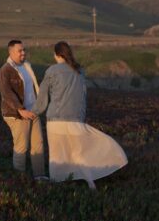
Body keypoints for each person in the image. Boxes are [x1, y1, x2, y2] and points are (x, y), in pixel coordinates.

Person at [33, 41, 127, 189]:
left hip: (56, 121)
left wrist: (33, 113)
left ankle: (57, 186)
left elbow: (42, 99)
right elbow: (82, 97)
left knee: (57, 156)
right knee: (79, 155)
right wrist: (80, 119)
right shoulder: (80, 71)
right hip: (76, 120)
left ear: (56, 54)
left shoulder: (52, 71)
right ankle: (90, 183)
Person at [0, 39, 46, 180]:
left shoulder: (27, 66)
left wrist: (39, 105)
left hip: (33, 111)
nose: (23, 53)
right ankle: (19, 180)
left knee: (38, 145)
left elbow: (34, 88)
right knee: (21, 147)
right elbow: (6, 93)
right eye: (20, 50)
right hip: (17, 114)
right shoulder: (4, 71)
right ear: (11, 52)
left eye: (24, 50)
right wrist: (20, 109)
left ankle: (40, 176)